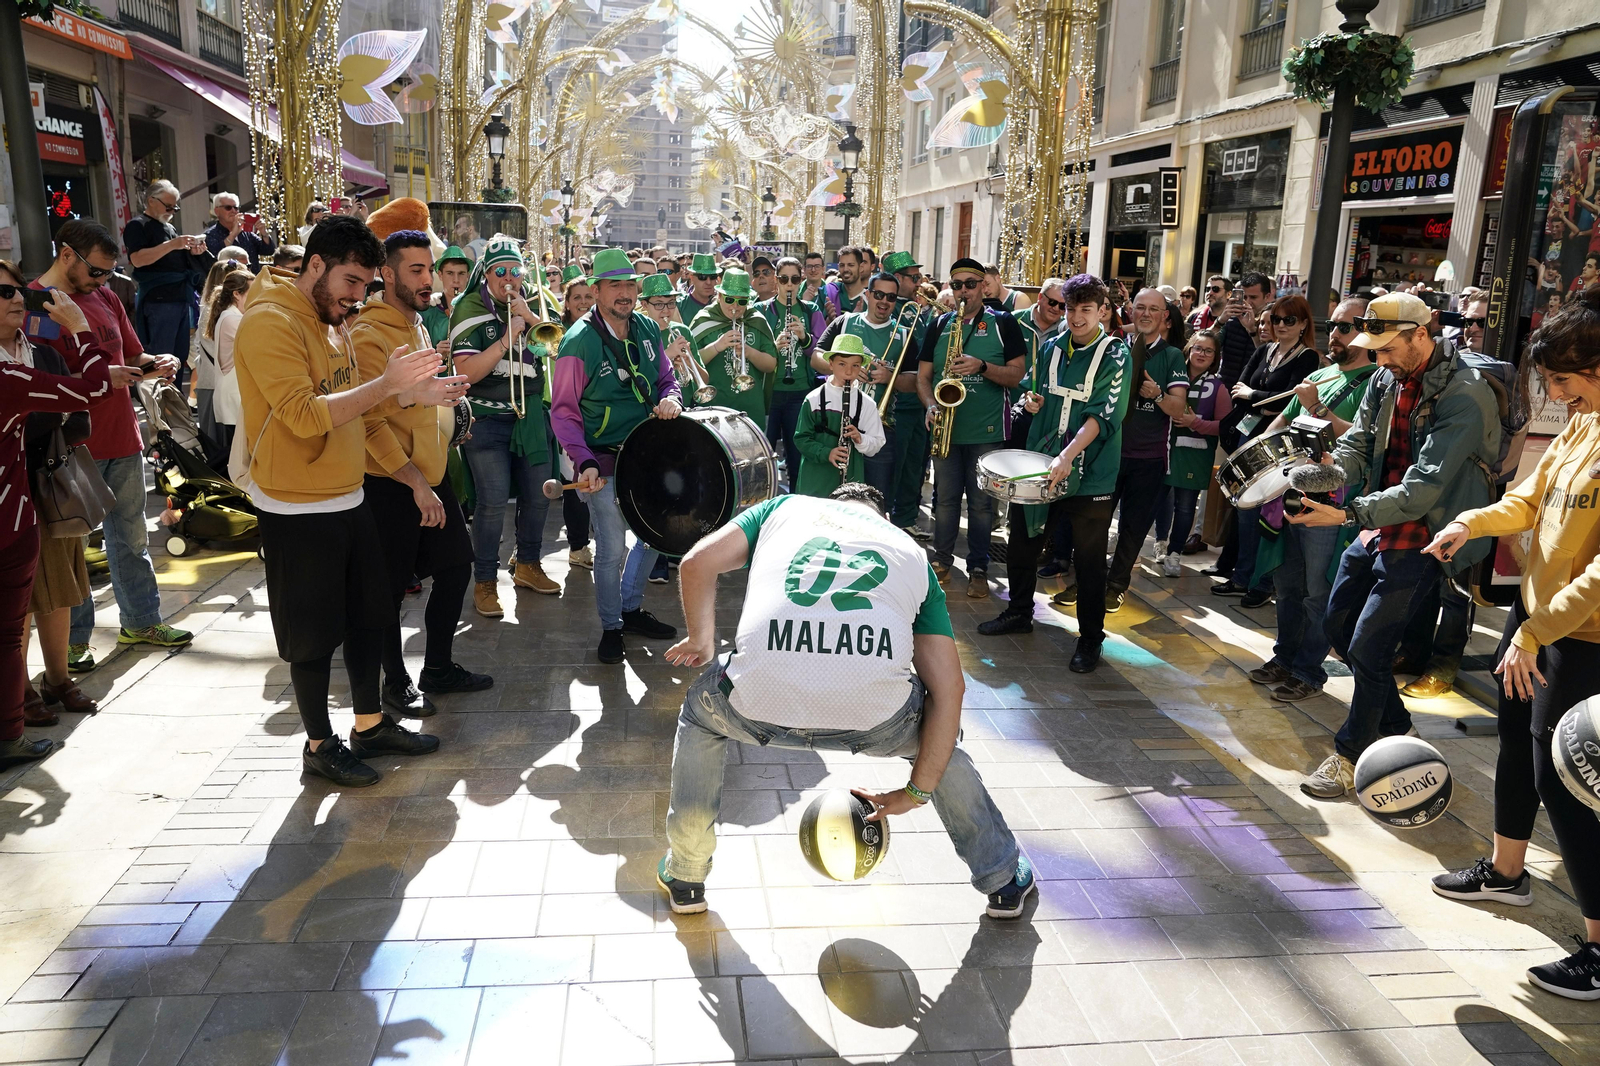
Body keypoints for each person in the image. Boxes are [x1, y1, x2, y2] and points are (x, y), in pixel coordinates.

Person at [657, 483, 1035, 918]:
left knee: (702, 717)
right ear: (883, 518)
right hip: (876, 721)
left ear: (830, 504)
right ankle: (1002, 879)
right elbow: (950, 689)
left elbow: (696, 563)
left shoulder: (783, 509)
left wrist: (702, 639)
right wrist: (917, 791)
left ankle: (686, 875)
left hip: (755, 705)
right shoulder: (911, 553)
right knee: (940, 732)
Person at [235, 215, 462, 787]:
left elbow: (357, 410)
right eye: (351, 282)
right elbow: (303, 415)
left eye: (365, 284)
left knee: (369, 617)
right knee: (312, 637)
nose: (359, 296)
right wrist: (388, 387)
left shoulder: (330, 317)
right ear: (316, 265)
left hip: (348, 493)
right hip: (294, 504)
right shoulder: (269, 322)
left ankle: (369, 726)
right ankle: (319, 745)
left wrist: (411, 396)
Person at [1423, 293, 1600, 1001]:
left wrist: (1534, 631)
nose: (1555, 395)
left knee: (1569, 781)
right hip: (1536, 623)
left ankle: (1598, 947)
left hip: (1579, 638)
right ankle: (1506, 873)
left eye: (1563, 380)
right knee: (1518, 751)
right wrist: (1471, 521)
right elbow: (1529, 500)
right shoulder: (1581, 425)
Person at [1290, 292, 1501, 800]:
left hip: (1429, 532)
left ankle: (1349, 755)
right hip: (1381, 522)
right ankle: (1397, 727)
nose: (1378, 358)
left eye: (1387, 348)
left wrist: (1347, 513)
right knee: (1338, 625)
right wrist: (1328, 472)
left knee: (1370, 645)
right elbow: (1360, 444)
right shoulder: (1387, 377)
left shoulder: (1465, 392)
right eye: (1375, 349)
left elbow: (1424, 489)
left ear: (1421, 334)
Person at [32, 220, 192, 671]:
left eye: (108, 272)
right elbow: (37, 380)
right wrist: (101, 377)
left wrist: (155, 362)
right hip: (69, 446)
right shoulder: (35, 303)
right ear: (67, 255)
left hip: (122, 435)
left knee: (132, 538)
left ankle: (142, 620)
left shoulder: (104, 295)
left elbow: (131, 355)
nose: (104, 279)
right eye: (97, 271)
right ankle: (73, 640)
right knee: (74, 548)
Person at [351, 229, 493, 717]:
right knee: (388, 590)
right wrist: (414, 482)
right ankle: (395, 684)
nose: (428, 279)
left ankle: (437, 668)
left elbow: (419, 403)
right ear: (387, 274)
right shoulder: (368, 334)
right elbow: (369, 421)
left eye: (429, 269)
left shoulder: (419, 325)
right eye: (416, 270)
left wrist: (451, 422)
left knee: (455, 568)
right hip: (391, 483)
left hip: (430, 476)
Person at [975, 274, 1127, 673]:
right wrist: (1031, 400)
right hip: (1042, 464)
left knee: (1089, 560)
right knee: (1023, 541)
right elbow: (1033, 387)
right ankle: (1019, 612)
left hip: (1091, 474)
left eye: (1085, 310)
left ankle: (1090, 639)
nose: (1076, 317)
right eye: (1071, 308)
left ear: (1102, 311)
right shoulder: (1052, 346)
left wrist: (1068, 455)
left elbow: (1103, 414)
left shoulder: (1116, 354)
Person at [0, 268, 113, 768]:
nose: (17, 299)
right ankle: (10, 733)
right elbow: (93, 386)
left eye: (17, 290)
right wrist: (79, 328)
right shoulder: (9, 378)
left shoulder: (25, 362)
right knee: (8, 634)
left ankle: (49, 687)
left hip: (28, 504)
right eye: (5, 292)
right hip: (11, 517)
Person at [550, 248, 683, 664]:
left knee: (655, 534)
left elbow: (666, 378)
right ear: (596, 291)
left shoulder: (647, 327)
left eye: (630, 284)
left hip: (647, 452)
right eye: (615, 285)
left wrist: (672, 398)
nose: (624, 293)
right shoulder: (578, 342)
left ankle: (630, 608)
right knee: (611, 548)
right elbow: (563, 412)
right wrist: (584, 461)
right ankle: (612, 627)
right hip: (602, 457)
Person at [1247, 297, 1377, 703]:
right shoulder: (1321, 374)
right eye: (1332, 325)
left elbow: (1360, 440)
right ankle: (1285, 658)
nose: (1334, 334)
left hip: (1330, 499)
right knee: (1287, 583)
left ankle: (1308, 671)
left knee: (1318, 591)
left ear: (1366, 332)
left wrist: (1316, 405)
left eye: (1344, 327)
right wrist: (1256, 459)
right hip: (1292, 493)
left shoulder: (1374, 382)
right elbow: (1282, 423)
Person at [450, 236, 561, 614]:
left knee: (539, 495)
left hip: (530, 417)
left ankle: (528, 564)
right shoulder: (468, 308)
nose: (509, 279)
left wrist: (530, 318)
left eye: (516, 271)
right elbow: (466, 372)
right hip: (485, 419)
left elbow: (557, 351)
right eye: (501, 271)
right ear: (486, 274)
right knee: (493, 501)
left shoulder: (535, 302)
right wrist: (507, 337)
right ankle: (484, 580)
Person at [916, 258, 1028, 599]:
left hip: (986, 431)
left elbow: (1017, 375)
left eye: (970, 284)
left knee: (981, 505)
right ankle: (942, 560)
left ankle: (978, 567)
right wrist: (930, 405)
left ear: (983, 286)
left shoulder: (1003, 322)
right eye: (957, 285)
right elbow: (923, 378)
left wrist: (981, 367)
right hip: (946, 428)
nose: (963, 290)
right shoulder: (939, 324)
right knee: (945, 501)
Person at [1213, 293, 1320, 605]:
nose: (1281, 325)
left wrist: (1255, 396)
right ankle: (1243, 576)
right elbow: (1238, 390)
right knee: (1245, 511)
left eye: (1289, 319)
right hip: (1249, 439)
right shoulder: (1264, 350)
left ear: (1303, 324)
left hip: (1280, 446)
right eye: (1276, 319)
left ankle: (1262, 582)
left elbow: (1291, 402)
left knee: (1270, 516)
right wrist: (1262, 400)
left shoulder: (1307, 358)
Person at [1103, 287, 1191, 610]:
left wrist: (1157, 395)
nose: (1146, 314)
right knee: (1096, 522)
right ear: (1131, 311)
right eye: (1140, 307)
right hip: (1109, 452)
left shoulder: (1172, 356)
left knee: (1134, 527)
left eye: (1154, 309)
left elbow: (1179, 409)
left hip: (1150, 457)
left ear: (1165, 316)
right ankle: (1087, 579)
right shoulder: (1114, 348)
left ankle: (1116, 586)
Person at [816, 272, 918, 502]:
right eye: (879, 294)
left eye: (891, 297)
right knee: (833, 494)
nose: (884, 301)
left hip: (880, 426)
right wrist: (845, 369)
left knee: (875, 497)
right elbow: (816, 357)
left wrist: (890, 378)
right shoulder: (845, 322)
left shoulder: (904, 334)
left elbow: (914, 382)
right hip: (836, 420)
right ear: (868, 295)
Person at [1152, 329, 1231, 579]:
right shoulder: (1171, 375)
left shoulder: (1218, 387)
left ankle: (1174, 553)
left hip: (1195, 455)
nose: (1202, 354)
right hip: (1162, 447)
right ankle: (1158, 542)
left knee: (1185, 507)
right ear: (1189, 349)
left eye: (1209, 351)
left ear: (1215, 357)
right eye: (1198, 348)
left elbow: (1225, 425)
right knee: (1154, 500)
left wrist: (1194, 423)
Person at [123, 180, 208, 389]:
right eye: (168, 206)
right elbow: (137, 260)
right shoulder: (138, 225)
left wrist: (193, 251)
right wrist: (172, 244)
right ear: (151, 201)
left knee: (178, 358)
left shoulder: (169, 227)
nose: (171, 211)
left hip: (180, 297)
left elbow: (174, 260)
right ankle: (158, 403)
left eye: (174, 207)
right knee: (160, 358)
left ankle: (174, 401)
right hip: (159, 299)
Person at [759, 257, 827, 490]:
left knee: (797, 456)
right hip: (769, 393)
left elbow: (821, 350)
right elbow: (754, 348)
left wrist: (804, 338)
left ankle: (797, 500)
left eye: (795, 279)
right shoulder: (761, 310)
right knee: (765, 455)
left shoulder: (811, 310)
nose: (789, 284)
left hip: (799, 392)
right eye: (784, 279)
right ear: (776, 280)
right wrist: (774, 347)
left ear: (801, 280)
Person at [792, 335, 887, 496]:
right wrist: (826, 453)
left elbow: (877, 443)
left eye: (855, 365)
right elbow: (801, 439)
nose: (848, 371)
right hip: (814, 481)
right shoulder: (813, 399)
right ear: (831, 364)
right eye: (842, 364)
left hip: (850, 484)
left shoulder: (867, 403)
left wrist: (860, 439)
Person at [688, 269, 777, 428]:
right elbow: (690, 363)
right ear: (719, 296)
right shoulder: (703, 320)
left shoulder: (756, 320)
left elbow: (771, 365)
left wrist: (749, 352)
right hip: (713, 409)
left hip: (751, 409)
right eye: (729, 299)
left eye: (742, 301)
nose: (735, 306)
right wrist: (717, 346)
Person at [203, 269, 251, 459]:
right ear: (237, 294)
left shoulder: (230, 316)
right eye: (252, 292)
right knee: (240, 456)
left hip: (234, 394)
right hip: (234, 396)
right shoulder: (232, 319)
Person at [1216, 272, 1272, 385]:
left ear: (1267, 297)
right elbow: (1207, 344)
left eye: (1253, 297)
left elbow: (1268, 357)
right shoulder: (1231, 320)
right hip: (1225, 385)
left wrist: (1252, 330)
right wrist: (1220, 321)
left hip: (1251, 388)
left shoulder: (1274, 323)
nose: (1248, 302)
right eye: (1244, 297)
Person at [204, 192, 276, 271]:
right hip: (229, 278)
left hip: (251, 277)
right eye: (228, 207)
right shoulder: (210, 235)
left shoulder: (246, 232)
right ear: (217, 211)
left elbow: (268, 251)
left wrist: (264, 233)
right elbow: (215, 256)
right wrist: (233, 235)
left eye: (236, 208)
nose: (233, 211)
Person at [423, 246, 472, 345]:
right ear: (440, 275)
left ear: (468, 276)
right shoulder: (427, 312)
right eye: (450, 273)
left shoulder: (478, 309)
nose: (456, 280)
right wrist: (436, 352)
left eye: (461, 273)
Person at [1015, 277, 1067, 349]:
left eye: (1062, 306)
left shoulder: (1066, 330)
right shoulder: (1014, 319)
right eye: (1052, 302)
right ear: (1040, 297)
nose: (1056, 308)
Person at [826, 247, 870, 317]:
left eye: (851, 265)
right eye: (842, 265)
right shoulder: (830, 293)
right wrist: (830, 319)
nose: (845, 269)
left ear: (861, 268)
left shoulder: (869, 300)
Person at [678, 254, 720, 324]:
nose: (708, 282)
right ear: (692, 278)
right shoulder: (679, 306)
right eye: (702, 277)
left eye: (713, 276)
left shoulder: (723, 306)